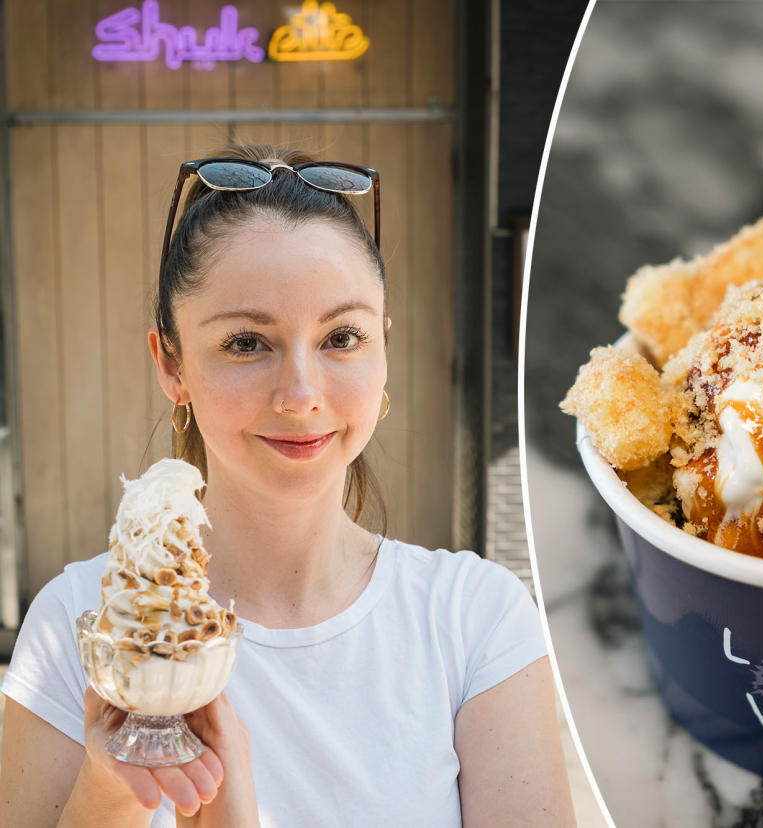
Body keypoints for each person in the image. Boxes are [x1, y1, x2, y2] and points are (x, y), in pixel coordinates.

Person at [0, 145, 575, 827]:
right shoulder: (81, 630)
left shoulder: (476, 621)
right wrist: (115, 787)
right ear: (172, 365)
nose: (301, 395)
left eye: (342, 337)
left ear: (384, 349)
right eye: (247, 342)